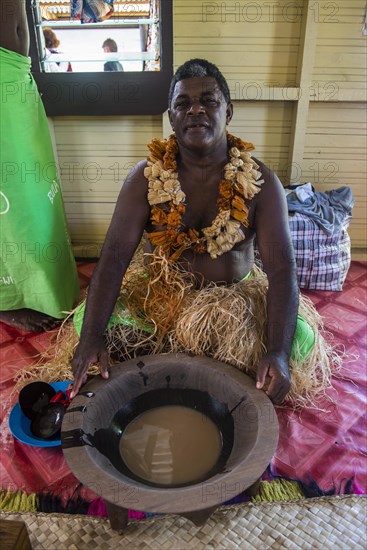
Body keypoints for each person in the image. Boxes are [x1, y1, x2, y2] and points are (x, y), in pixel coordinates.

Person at [70, 58, 309, 404]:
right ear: (171, 116)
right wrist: (91, 336)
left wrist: (277, 352)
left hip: (232, 305)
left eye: (209, 100)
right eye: (183, 103)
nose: (195, 109)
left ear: (228, 112)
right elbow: (113, 259)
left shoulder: (261, 182)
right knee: (86, 325)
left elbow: (283, 269)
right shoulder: (144, 178)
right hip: (157, 302)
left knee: (297, 339)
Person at [0, 0, 80, 331]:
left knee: (35, 197)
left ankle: (45, 288)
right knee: (10, 204)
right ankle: (6, 303)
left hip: (17, 77)